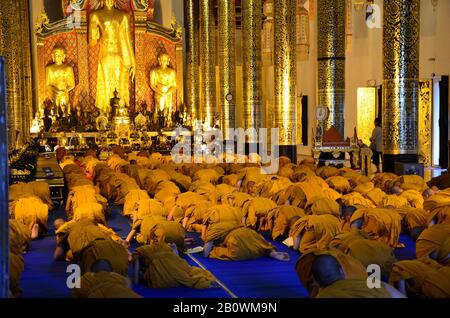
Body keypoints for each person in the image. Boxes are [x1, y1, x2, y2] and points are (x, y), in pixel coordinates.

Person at [89, 0, 136, 117]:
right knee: (105, 81)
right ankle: (105, 111)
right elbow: (93, 41)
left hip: (119, 53)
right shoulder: (95, 15)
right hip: (105, 53)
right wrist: (93, 29)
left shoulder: (124, 16)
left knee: (120, 81)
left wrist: (132, 62)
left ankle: (120, 110)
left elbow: (127, 39)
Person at [45, 47, 75, 117]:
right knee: (55, 111)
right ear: (53, 56)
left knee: (65, 111)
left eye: (59, 55)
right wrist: (55, 90)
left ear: (63, 56)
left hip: (64, 92)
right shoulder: (49, 68)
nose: (57, 57)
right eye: (56, 55)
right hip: (54, 92)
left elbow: (72, 84)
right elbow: (48, 84)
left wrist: (65, 90)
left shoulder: (68, 68)